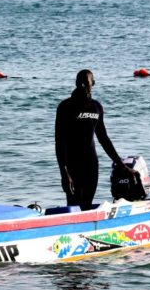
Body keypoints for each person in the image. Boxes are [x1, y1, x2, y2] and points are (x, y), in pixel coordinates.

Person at [54, 69, 135, 211]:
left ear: (93, 84)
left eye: (87, 83)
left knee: (86, 204)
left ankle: (86, 232)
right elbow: (59, 142)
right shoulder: (65, 107)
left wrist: (121, 165)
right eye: (81, 83)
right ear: (76, 83)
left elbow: (103, 138)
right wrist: (64, 172)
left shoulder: (96, 107)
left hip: (91, 164)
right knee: (73, 204)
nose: (83, 86)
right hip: (72, 164)